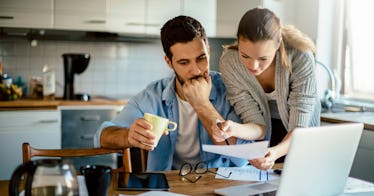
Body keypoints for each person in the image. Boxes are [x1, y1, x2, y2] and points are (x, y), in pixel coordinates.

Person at [94, 15, 251, 171]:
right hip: (169, 187)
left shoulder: (230, 90)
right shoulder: (153, 96)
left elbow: (242, 158)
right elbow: (101, 136)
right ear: (169, 62)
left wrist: (202, 104)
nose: (196, 70)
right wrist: (128, 135)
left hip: (217, 186)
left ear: (208, 51)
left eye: (201, 58)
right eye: (184, 62)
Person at [213, 7, 321, 170]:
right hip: (265, 135)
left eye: (263, 58)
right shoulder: (230, 63)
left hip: (299, 135)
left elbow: (299, 128)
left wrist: (274, 153)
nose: (253, 66)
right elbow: (258, 126)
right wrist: (233, 129)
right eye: (245, 56)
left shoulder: (300, 57)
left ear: (278, 46)